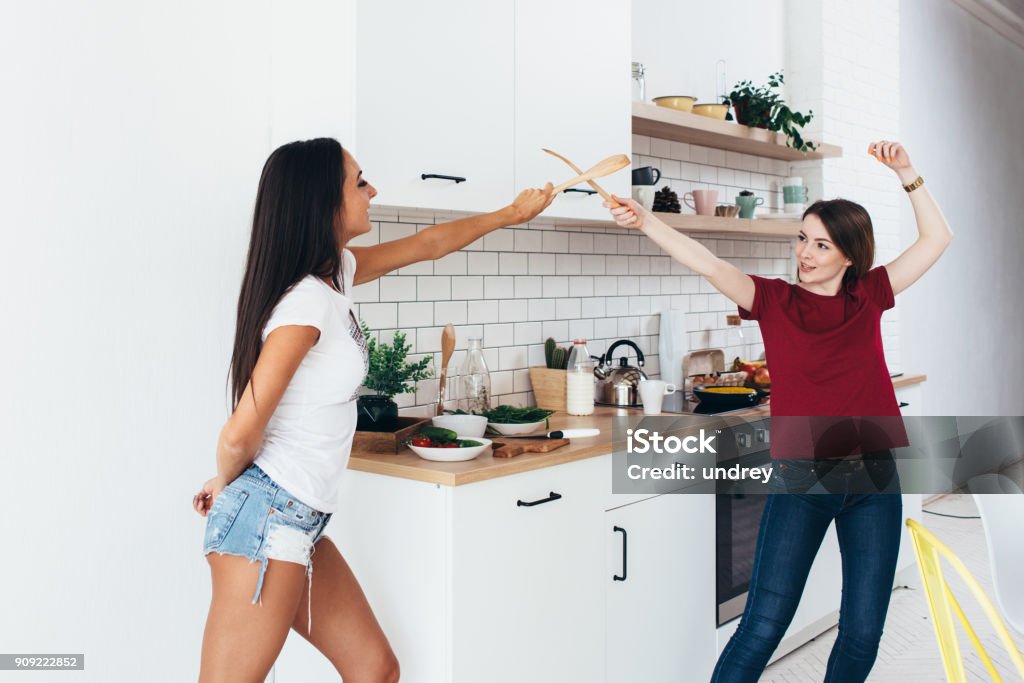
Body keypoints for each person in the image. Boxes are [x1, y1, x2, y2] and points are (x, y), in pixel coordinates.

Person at [192, 137, 553, 682]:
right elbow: (241, 429)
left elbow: (429, 244)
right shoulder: (306, 303)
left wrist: (510, 214)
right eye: (359, 181)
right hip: (267, 519)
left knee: (375, 670)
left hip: (300, 518)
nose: (373, 190)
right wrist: (227, 481)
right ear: (321, 200)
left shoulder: (337, 275)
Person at [606, 141, 952, 683]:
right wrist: (647, 221)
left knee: (863, 631)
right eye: (802, 239)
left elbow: (937, 238)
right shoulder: (773, 300)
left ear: (848, 256)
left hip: (875, 477)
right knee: (764, 623)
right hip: (802, 478)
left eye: (821, 244)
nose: (806, 253)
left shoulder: (870, 295)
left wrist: (907, 171)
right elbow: (708, 262)